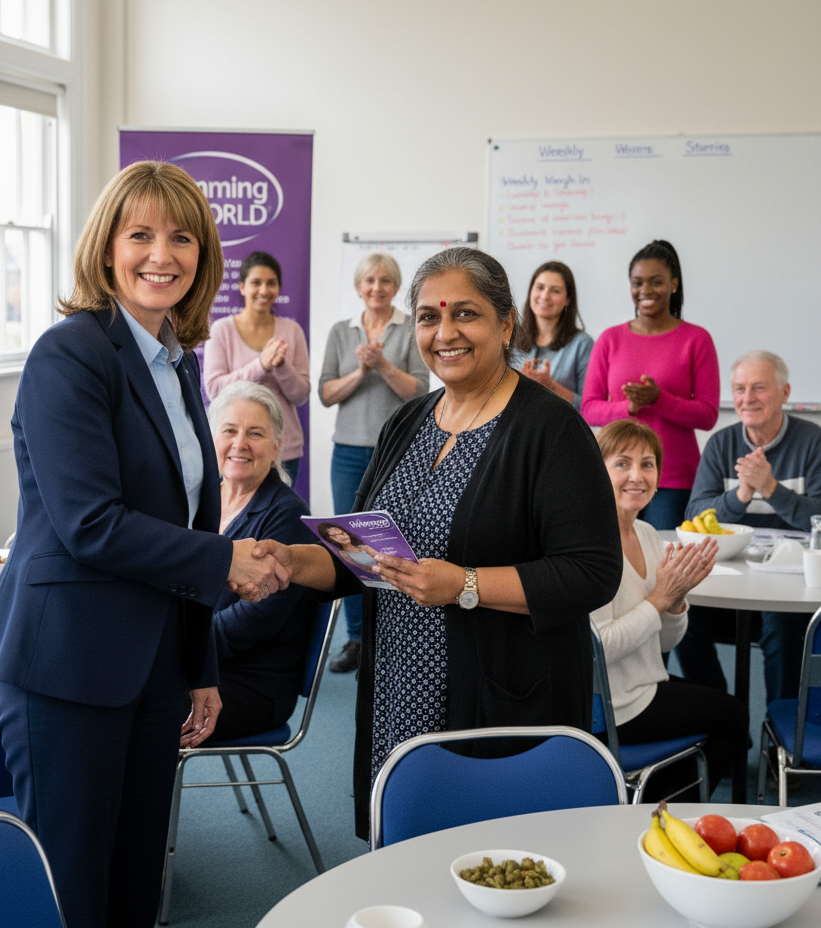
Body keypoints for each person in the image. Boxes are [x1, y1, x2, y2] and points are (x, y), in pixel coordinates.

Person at [0, 161, 289, 928]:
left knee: (136, 886)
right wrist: (227, 563)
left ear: (203, 254)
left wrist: (199, 666)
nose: (162, 253)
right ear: (106, 247)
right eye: (140, 233)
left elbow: (181, 521)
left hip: (153, 671)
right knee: (72, 893)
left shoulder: (176, 365)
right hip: (67, 666)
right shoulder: (70, 353)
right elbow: (91, 523)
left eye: (182, 237)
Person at [256, 246, 623, 840]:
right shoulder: (408, 421)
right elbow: (365, 557)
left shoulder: (550, 430)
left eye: (465, 315)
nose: (444, 333)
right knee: (406, 853)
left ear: (507, 324)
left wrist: (466, 585)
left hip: (501, 699)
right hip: (399, 688)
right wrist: (291, 560)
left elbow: (592, 572)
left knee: (495, 863)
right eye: (428, 317)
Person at [591, 419, 748, 801]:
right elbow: (601, 647)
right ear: (596, 471)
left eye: (647, 464)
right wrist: (660, 599)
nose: (637, 476)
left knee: (725, 710)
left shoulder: (647, 534)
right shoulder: (592, 544)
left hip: (646, 684)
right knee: (734, 717)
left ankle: (655, 806)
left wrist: (676, 601)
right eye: (622, 463)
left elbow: (664, 642)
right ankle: (659, 811)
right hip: (613, 705)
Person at [677, 351, 821, 703]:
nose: (746, 398)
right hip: (730, 581)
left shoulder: (813, 442)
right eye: (739, 389)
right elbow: (695, 511)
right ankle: (719, 715)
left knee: (782, 629)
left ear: (785, 393)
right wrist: (740, 495)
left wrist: (772, 490)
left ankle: (780, 737)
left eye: (759, 388)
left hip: (789, 587)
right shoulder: (721, 444)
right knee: (681, 615)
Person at [318, 252, 430, 673]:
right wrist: (360, 372)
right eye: (369, 280)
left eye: (385, 281)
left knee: (396, 545)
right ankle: (356, 640)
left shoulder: (408, 329)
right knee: (347, 547)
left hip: (397, 453)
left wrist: (382, 364)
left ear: (396, 286)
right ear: (358, 287)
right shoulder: (340, 332)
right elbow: (326, 394)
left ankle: (395, 636)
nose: (377, 288)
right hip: (347, 452)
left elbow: (419, 392)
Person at [207, 381, 320, 742]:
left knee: (133, 704)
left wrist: (168, 649)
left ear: (275, 448)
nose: (239, 444)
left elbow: (248, 624)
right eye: (229, 431)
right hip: (203, 665)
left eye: (254, 434)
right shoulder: (203, 498)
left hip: (252, 684)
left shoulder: (287, 517)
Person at [582, 240, 720, 530]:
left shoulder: (697, 340)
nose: (645, 291)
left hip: (672, 480)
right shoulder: (610, 339)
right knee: (614, 562)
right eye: (637, 282)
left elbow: (707, 415)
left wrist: (660, 399)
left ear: (673, 284)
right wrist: (629, 407)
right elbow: (590, 408)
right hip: (615, 476)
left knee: (661, 562)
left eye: (656, 282)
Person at [203, 251, 310, 486]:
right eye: (256, 282)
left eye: (271, 283)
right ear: (242, 286)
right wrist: (261, 364)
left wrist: (282, 367)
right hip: (235, 448)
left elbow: (301, 395)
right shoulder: (221, 330)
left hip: (283, 448)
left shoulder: (292, 331)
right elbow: (214, 390)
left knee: (279, 518)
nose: (264, 290)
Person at [513, 260, 594, 410]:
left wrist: (550, 385)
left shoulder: (582, 344)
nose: (545, 296)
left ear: (567, 300)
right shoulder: (511, 339)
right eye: (540, 287)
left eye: (555, 291)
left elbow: (588, 406)